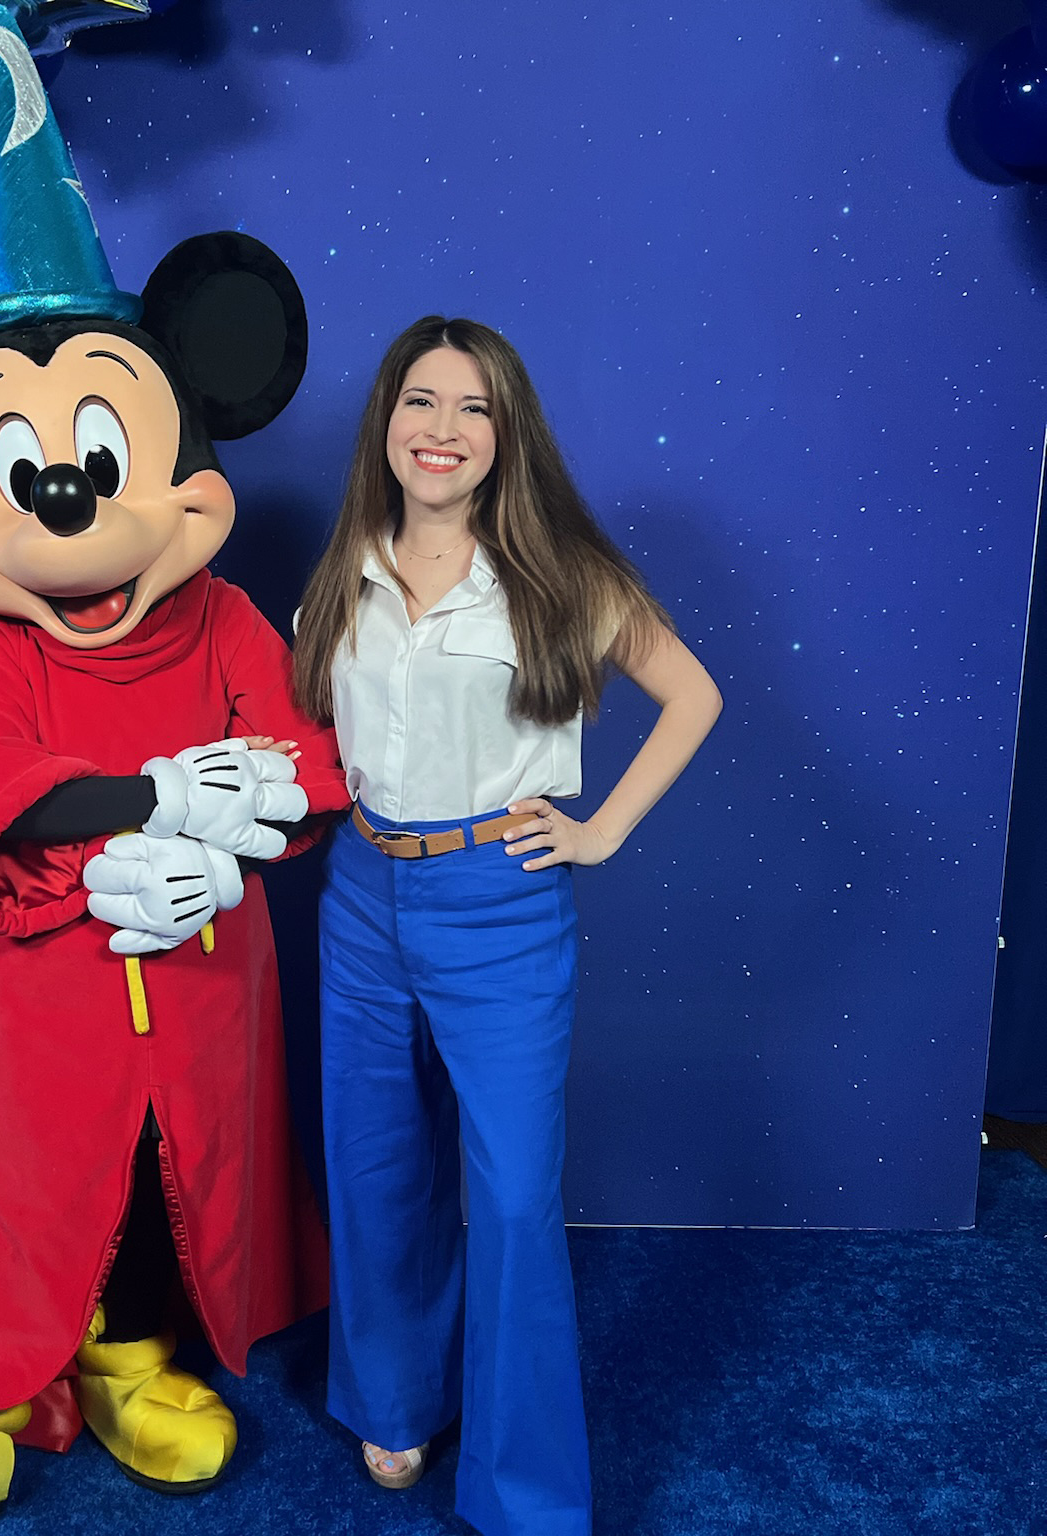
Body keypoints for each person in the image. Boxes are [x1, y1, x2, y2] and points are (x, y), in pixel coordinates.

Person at [291, 316, 722, 1535]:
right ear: (386, 421)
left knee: (518, 1196)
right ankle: (394, 1399)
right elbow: (311, 734)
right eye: (421, 401)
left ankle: (522, 1489)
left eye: (472, 408)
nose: (443, 429)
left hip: (501, 903)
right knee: (377, 1167)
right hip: (362, 897)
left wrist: (602, 831)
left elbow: (692, 694)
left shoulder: (559, 573)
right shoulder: (345, 567)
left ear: (506, 433)